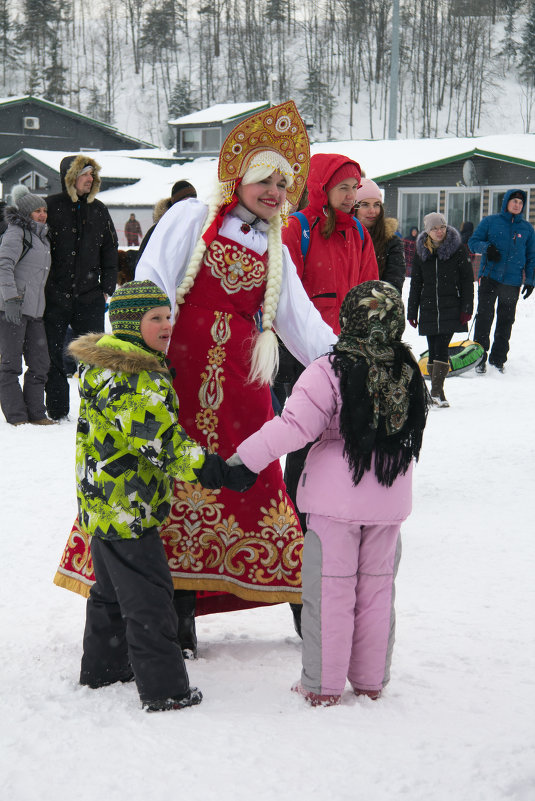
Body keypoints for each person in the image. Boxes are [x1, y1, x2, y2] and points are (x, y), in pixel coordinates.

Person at [53, 100, 336, 657]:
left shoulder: (275, 249)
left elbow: (300, 321)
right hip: (175, 379)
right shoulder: (191, 220)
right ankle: (176, 608)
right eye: (266, 180)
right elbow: (150, 288)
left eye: (284, 184)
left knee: (254, 480)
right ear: (239, 177)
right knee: (168, 481)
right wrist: (135, 359)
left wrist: (350, 361)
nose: (276, 193)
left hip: (240, 389)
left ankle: (303, 601)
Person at [226, 281, 429, 706]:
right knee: (377, 591)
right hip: (389, 496)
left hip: (335, 501)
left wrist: (243, 459)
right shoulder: (407, 368)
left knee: (329, 593)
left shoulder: (331, 369)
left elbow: (294, 427)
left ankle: (322, 685)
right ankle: (371, 680)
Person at [71, 279, 251, 712]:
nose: (167, 325)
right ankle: (166, 689)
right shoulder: (134, 377)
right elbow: (162, 441)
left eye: (169, 316)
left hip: (103, 502)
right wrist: (216, 470)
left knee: (111, 593)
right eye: (156, 319)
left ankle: (104, 668)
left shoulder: (105, 368)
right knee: (150, 599)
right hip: (128, 506)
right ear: (132, 323)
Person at [278, 153, 379, 635]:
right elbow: (285, 297)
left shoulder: (357, 233)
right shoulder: (295, 230)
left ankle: (336, 512)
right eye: (343, 187)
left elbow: (369, 290)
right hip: (299, 359)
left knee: (342, 440)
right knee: (301, 442)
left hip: (349, 357)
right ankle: (299, 519)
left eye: (355, 187)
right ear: (322, 187)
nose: (351, 195)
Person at [44, 155, 118, 421]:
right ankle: (57, 409)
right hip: (54, 295)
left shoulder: (99, 209)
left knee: (93, 356)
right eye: (85, 174)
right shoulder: (50, 207)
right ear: (70, 177)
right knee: (52, 354)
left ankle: (94, 409)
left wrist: (107, 286)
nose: (91, 179)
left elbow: (110, 249)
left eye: (92, 175)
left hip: (89, 296)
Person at [0, 185, 54, 426]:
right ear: (25, 214)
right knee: (10, 365)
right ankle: (17, 416)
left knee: (40, 363)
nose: (42, 214)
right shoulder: (15, 233)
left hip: (34, 311)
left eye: (44, 210)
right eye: (36, 211)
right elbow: (3, 266)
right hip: (12, 309)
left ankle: (36, 413)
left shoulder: (41, 238)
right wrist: (11, 300)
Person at [407, 213, 474, 407]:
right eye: (435, 228)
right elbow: (416, 283)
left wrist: (466, 307)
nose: (439, 231)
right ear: (428, 231)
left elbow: (466, 281)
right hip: (428, 307)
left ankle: (437, 392)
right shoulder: (421, 252)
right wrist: (412, 311)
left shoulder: (458, 250)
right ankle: (435, 392)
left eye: (442, 227)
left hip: (450, 307)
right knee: (432, 346)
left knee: (441, 347)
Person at [469, 190, 535, 373]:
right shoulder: (490, 222)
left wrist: (530, 280)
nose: (517, 205)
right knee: (484, 317)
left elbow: (532, 257)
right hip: (489, 277)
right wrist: (487, 248)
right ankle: (479, 358)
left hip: (512, 282)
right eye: (514, 201)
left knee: (506, 320)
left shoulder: (527, 229)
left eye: (520, 203)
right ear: (506, 202)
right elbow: (472, 242)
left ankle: (498, 359)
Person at [354, 178, 406, 293]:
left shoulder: (392, 242)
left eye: (376, 205)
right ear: (354, 207)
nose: (372, 211)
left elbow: (393, 284)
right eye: (365, 205)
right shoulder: (343, 238)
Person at [136, 180, 197, 262]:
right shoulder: (158, 231)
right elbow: (143, 263)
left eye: (194, 200)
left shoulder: (201, 226)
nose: (192, 205)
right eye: (186, 201)